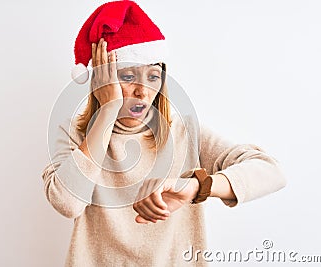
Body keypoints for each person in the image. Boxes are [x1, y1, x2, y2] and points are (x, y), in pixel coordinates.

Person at [41, 1, 287, 266]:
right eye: (127, 76)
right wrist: (107, 111)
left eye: (153, 76)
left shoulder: (185, 132)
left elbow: (271, 171)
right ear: (102, 80)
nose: (143, 92)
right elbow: (67, 204)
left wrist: (197, 186)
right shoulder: (75, 133)